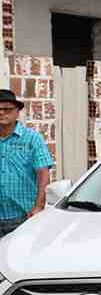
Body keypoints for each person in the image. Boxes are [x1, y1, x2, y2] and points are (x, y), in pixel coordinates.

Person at [0, 88, 53, 239]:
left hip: (24, 217)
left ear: (17, 112)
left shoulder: (32, 138)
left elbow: (43, 172)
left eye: (7, 109)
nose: (2, 113)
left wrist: (38, 206)